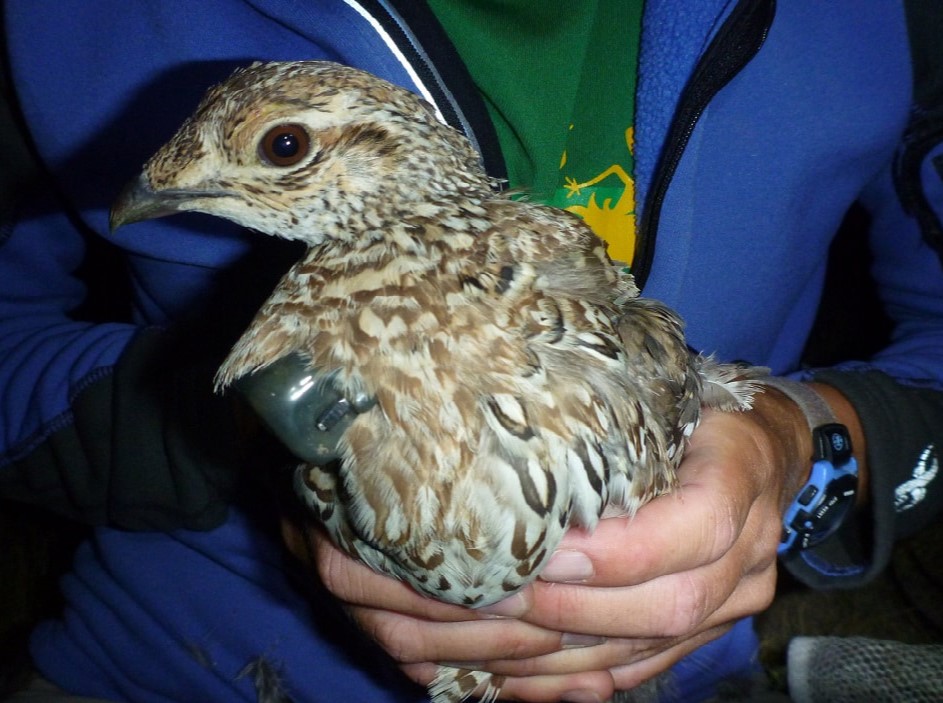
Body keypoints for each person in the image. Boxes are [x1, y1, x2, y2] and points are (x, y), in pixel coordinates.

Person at [2, 1, 942, 702]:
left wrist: (805, 444)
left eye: (281, 148)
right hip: (173, 661)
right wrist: (221, 434)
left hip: (674, 670)